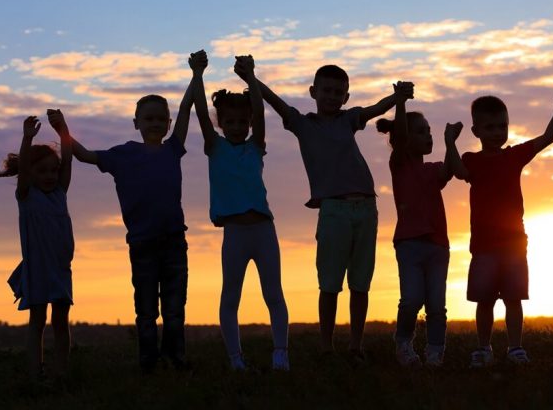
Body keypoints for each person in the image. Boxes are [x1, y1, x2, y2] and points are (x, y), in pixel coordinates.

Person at [236, 62, 413, 362]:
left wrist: (398, 97)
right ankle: (327, 347)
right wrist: (251, 77)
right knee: (330, 283)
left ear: (346, 97)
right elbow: (275, 101)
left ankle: (355, 347)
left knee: (360, 283)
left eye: (338, 93)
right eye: (326, 91)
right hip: (333, 210)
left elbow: (376, 108)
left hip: (366, 208)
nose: (331, 97)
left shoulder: (349, 118)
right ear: (313, 92)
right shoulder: (302, 123)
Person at [68, 51, 204, 373]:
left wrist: (197, 74)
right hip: (142, 243)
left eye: (161, 119)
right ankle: (148, 362)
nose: (155, 123)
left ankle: (175, 358)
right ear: (136, 124)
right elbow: (84, 155)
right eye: (148, 119)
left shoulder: (173, 149)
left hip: (174, 241)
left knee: (175, 308)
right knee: (146, 310)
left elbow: (187, 107)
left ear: (168, 124)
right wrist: (62, 129)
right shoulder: (122, 155)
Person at [445, 93, 553, 367]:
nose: (497, 132)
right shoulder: (472, 160)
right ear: (476, 131)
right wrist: (449, 142)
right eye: (489, 127)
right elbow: (458, 172)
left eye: (502, 126)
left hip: (514, 245)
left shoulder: (514, 155)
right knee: (484, 301)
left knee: (514, 299)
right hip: (484, 247)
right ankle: (483, 348)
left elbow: (548, 137)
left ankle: (515, 348)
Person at [195, 54, 289, 371]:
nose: (236, 127)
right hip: (234, 233)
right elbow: (200, 111)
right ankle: (235, 359)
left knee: (273, 294)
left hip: (263, 231)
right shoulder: (215, 147)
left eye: (241, 122)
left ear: (248, 124)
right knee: (230, 297)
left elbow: (260, 111)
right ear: (220, 123)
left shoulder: (255, 145)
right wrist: (198, 74)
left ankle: (281, 353)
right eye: (230, 122)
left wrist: (250, 76)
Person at [376, 96, 462, 368]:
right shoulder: (400, 164)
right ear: (404, 138)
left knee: (436, 305)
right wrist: (401, 102)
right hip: (409, 245)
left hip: (438, 246)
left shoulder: (433, 170)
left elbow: (449, 170)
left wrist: (450, 141)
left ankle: (435, 352)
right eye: (421, 131)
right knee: (412, 300)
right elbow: (400, 135)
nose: (428, 136)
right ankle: (403, 343)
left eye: (429, 131)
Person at [0, 110, 74, 380]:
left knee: (61, 322)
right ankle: (35, 375)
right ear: (31, 174)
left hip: (61, 269)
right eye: (42, 171)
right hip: (37, 269)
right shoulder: (27, 197)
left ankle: (60, 374)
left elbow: (68, 160)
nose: (50, 176)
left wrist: (62, 129)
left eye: (53, 170)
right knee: (37, 322)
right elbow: (24, 168)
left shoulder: (59, 193)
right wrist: (27, 139)